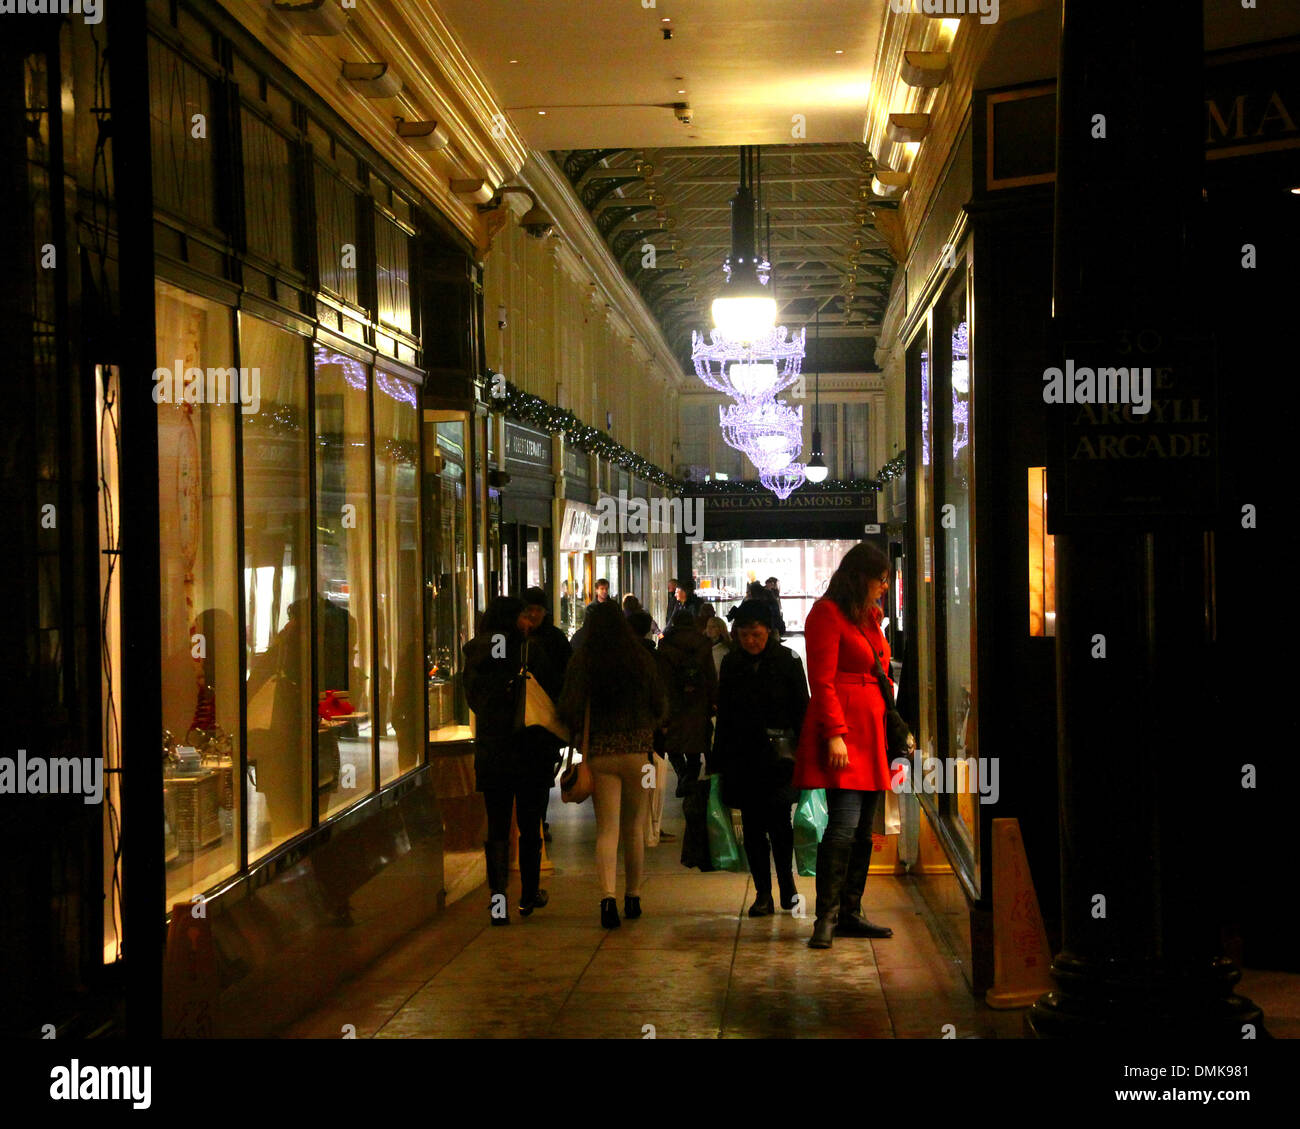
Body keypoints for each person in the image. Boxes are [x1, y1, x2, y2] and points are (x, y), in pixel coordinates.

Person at [792, 542, 897, 949]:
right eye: (880, 579)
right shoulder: (826, 613)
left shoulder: (867, 617)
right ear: (860, 577)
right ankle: (828, 915)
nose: (884, 587)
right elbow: (821, 678)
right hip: (847, 729)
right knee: (843, 824)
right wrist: (835, 732)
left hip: (872, 728)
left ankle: (850, 910)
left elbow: (879, 667)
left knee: (864, 829)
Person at [557, 600, 666, 928]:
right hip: (642, 758)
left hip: (602, 756)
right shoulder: (642, 658)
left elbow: (569, 708)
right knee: (636, 827)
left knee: (607, 829)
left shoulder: (584, 661)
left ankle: (608, 900)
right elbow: (660, 705)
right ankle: (633, 897)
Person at [461, 596, 564, 925]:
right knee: (530, 824)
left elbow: (475, 700)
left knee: (498, 828)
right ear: (511, 619)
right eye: (522, 615)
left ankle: (498, 905)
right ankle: (528, 895)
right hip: (530, 751)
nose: (528, 621)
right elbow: (553, 694)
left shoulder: (476, 653)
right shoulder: (528, 650)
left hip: (493, 751)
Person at [712, 598, 809, 916]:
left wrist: (806, 754)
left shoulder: (787, 661)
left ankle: (788, 887)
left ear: (770, 631)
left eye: (756, 634)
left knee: (780, 824)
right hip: (743, 758)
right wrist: (719, 760)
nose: (751, 641)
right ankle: (763, 893)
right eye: (744, 635)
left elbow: (802, 711)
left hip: (779, 759)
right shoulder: (731, 664)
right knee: (752, 828)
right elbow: (724, 713)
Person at [655, 608, 717, 869]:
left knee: (673, 745)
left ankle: (683, 776)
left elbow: (661, 681)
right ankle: (690, 778)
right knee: (696, 745)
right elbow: (710, 677)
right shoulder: (703, 644)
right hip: (698, 705)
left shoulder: (665, 647)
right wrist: (712, 701)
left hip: (674, 705)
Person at [522, 587, 573, 845]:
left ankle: (537, 823)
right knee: (534, 775)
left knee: (541, 776)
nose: (533, 615)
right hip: (525, 720)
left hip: (545, 720)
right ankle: (532, 824)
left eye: (538, 610)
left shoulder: (554, 639)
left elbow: (565, 677)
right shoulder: (518, 638)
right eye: (529, 609)